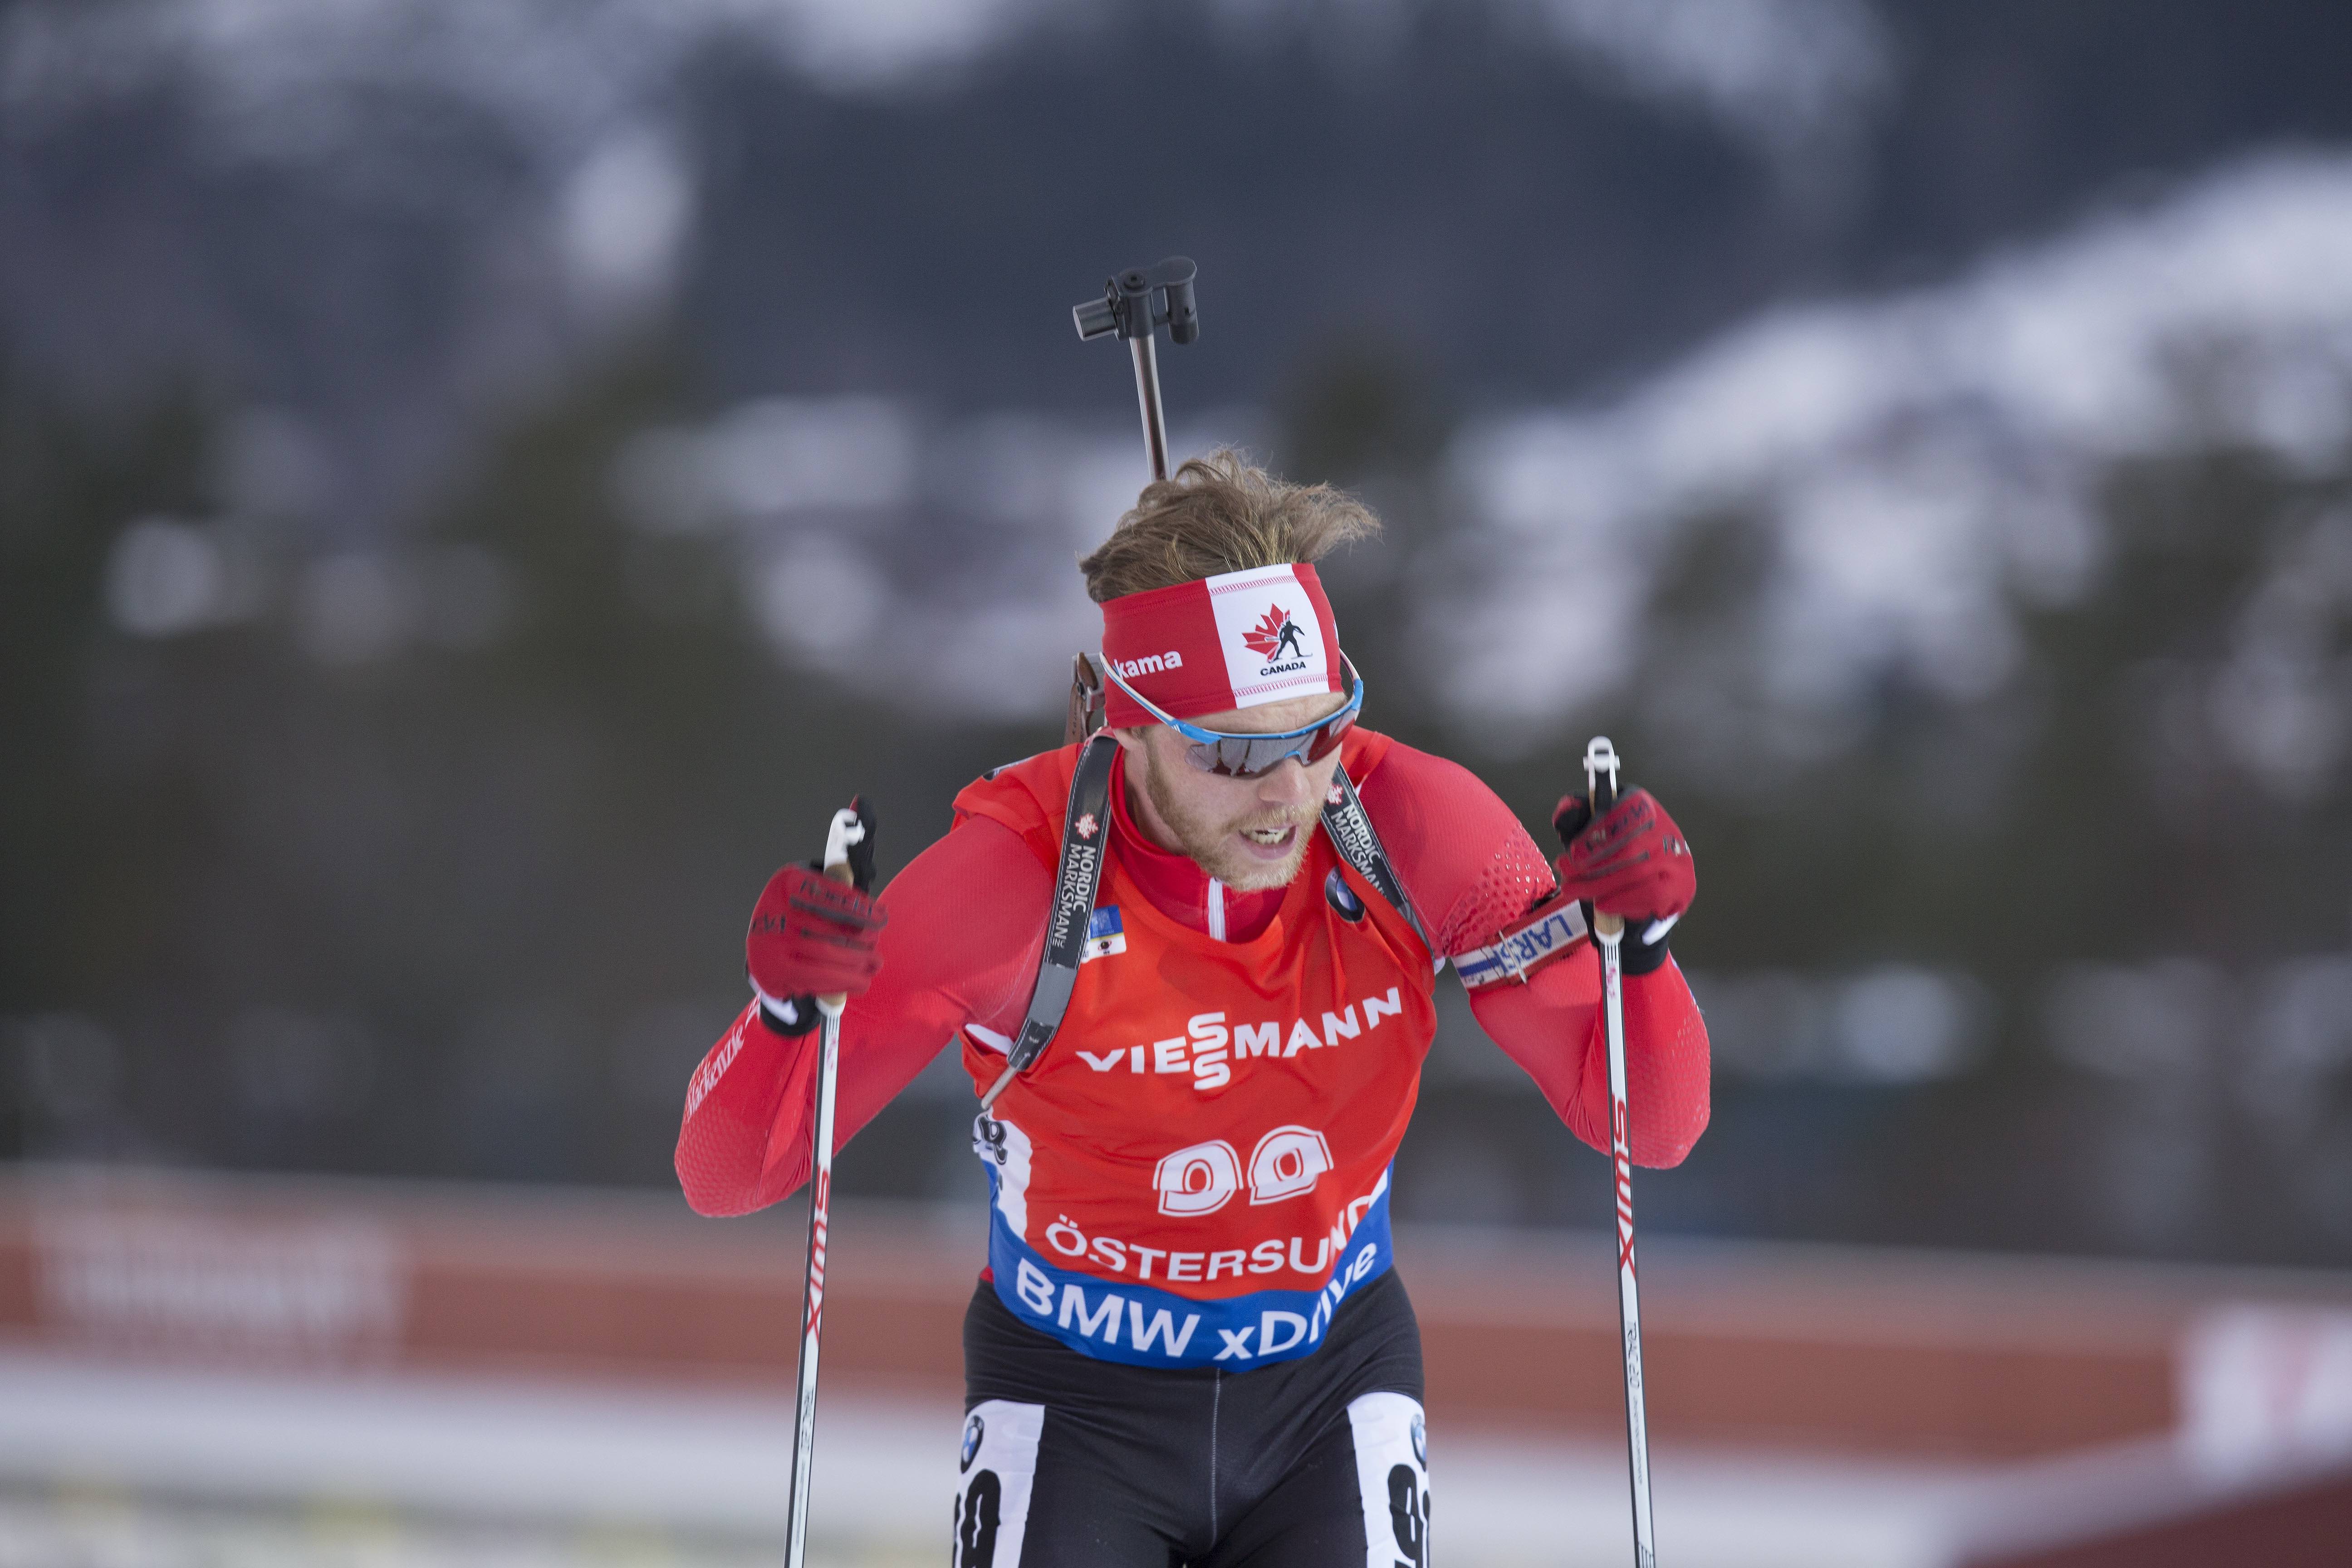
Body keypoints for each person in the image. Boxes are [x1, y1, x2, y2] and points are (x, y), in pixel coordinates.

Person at [676, 452, 1710, 1568]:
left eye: (1318, 732)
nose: (1288, 794)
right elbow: (729, 1177)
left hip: (1330, 1378)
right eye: (1233, 752)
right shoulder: (1011, 891)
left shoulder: (1415, 833)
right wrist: (785, 1013)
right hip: (1076, 1401)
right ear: (1123, 726)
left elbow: (1646, 1127)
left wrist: (1639, 952)